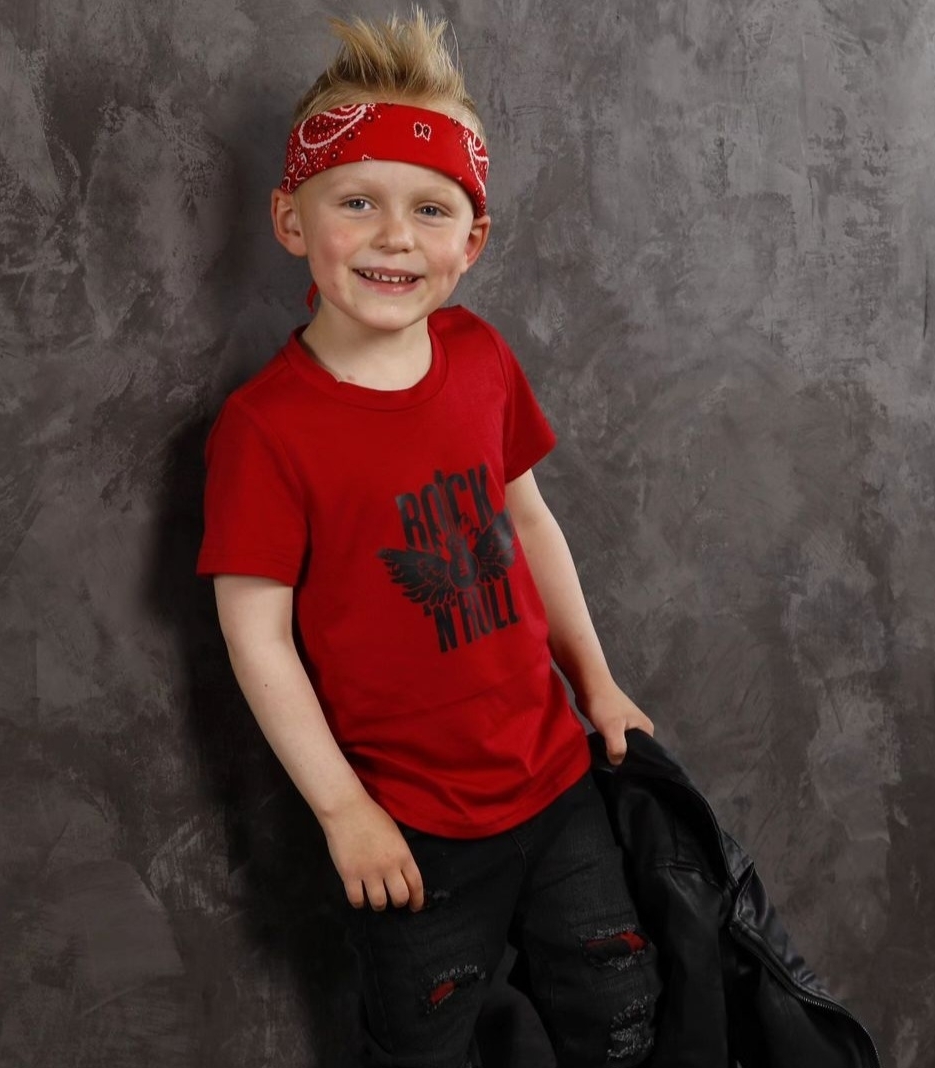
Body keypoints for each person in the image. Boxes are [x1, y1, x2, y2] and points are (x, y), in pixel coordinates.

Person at [197, 10, 658, 1066]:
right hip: (411, 830)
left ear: (471, 240)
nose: (395, 236)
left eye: (430, 208)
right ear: (292, 220)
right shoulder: (266, 429)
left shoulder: (481, 356)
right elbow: (256, 637)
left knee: (618, 1016)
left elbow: (530, 521)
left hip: (557, 785)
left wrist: (597, 684)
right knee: (424, 1044)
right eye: (357, 202)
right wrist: (342, 810)